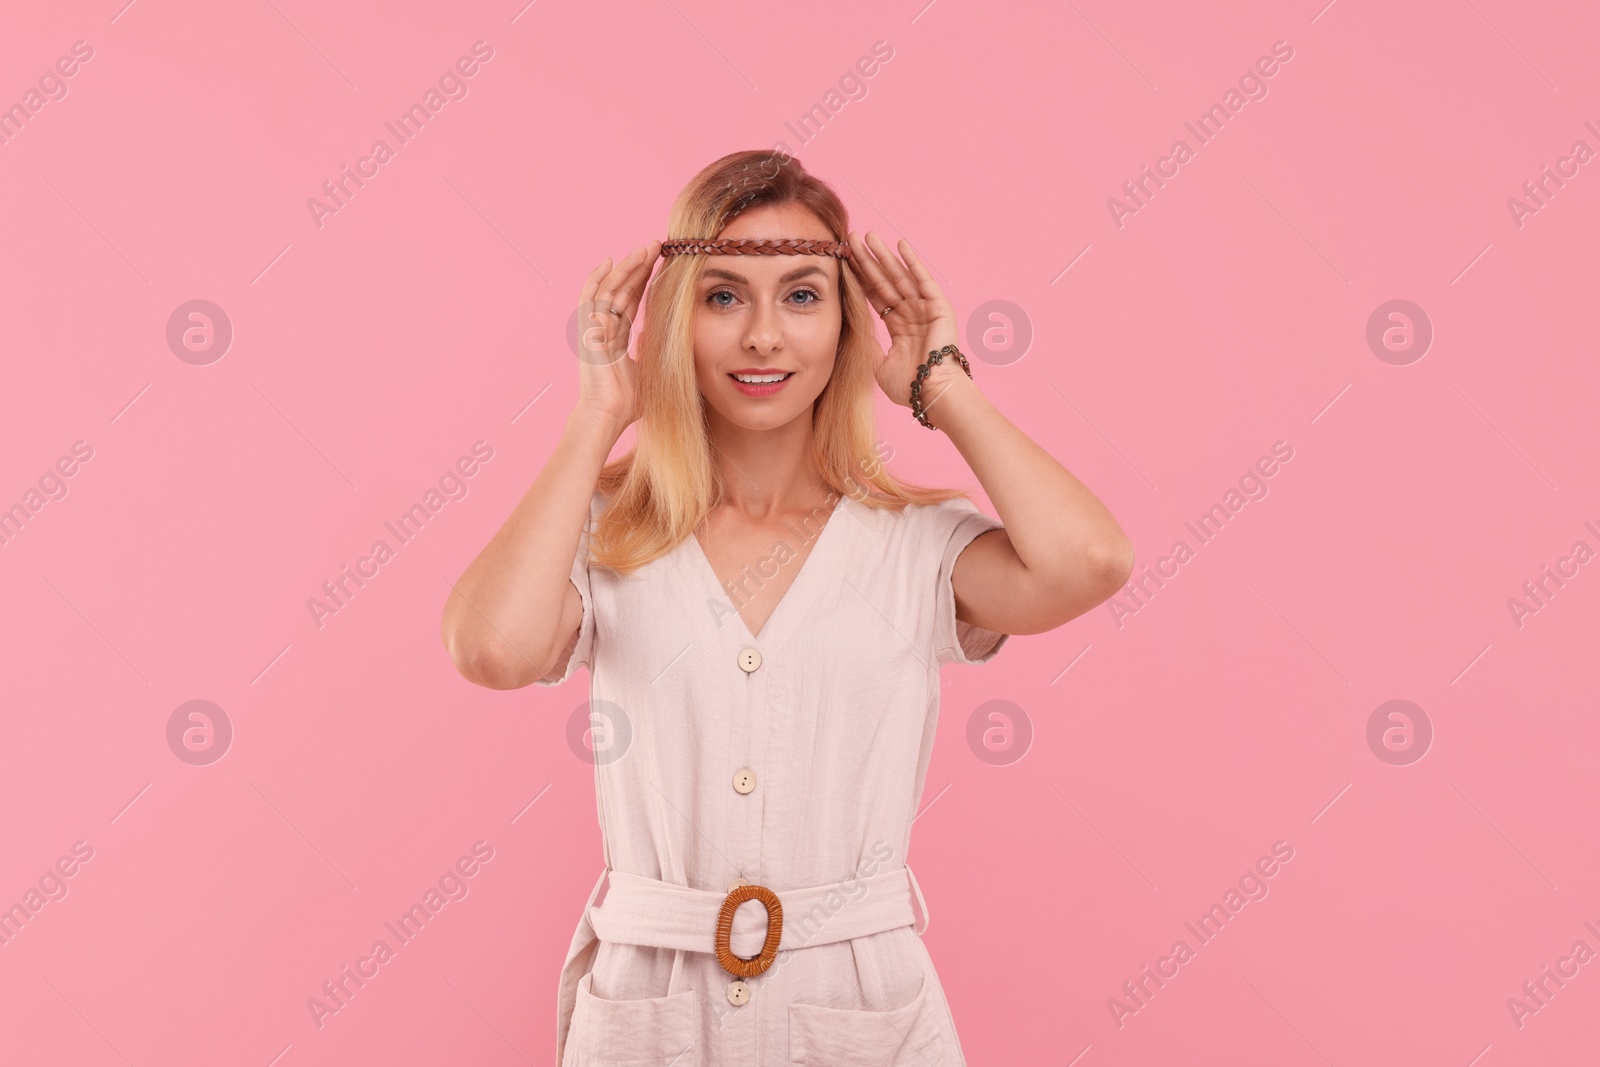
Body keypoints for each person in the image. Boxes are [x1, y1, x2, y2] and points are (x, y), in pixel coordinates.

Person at [440, 149, 1133, 1066]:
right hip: (651, 1010)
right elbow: (490, 648)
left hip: (858, 1003)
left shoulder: (912, 545)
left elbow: (1092, 560)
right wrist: (600, 413)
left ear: (848, 327)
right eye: (724, 297)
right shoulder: (608, 532)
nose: (764, 336)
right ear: (680, 322)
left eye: (802, 296)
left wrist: (943, 383)